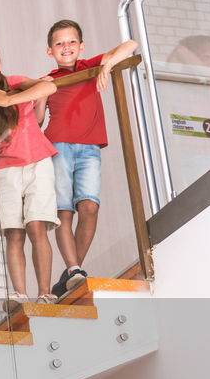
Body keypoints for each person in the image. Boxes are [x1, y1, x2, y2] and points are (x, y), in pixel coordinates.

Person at [39, 19, 137, 297]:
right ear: (50, 51)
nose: (66, 47)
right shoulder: (50, 79)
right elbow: (36, 120)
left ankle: (73, 269)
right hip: (57, 146)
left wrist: (106, 65)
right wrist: (39, 94)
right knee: (64, 211)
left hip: (89, 148)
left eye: (71, 42)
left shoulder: (89, 67)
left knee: (90, 207)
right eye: (59, 43)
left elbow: (130, 45)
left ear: (81, 47)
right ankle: (73, 269)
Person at [0, 42, 59, 309]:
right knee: (14, 234)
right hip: (7, 171)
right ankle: (18, 294)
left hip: (38, 162)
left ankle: (45, 292)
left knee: (37, 226)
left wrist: (7, 99)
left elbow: (48, 87)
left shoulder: (14, 83)